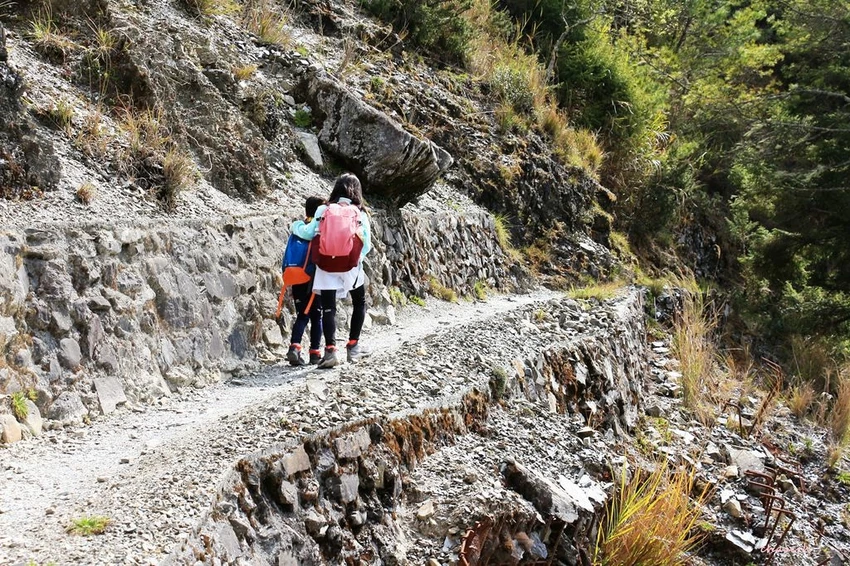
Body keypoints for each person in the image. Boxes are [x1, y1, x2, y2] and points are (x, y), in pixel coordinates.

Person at [292, 173, 372, 368]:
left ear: (336, 189)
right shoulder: (359, 213)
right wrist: (353, 259)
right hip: (350, 266)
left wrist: (295, 226)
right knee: (359, 302)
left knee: (328, 309)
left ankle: (330, 351)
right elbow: (367, 245)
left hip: (325, 264)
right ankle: (353, 347)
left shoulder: (322, 209)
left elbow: (309, 233)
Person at [285, 196, 325, 366]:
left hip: (295, 275)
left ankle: (295, 347)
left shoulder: (298, 226)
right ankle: (314, 353)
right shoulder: (317, 228)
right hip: (313, 278)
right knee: (317, 315)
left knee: (302, 314)